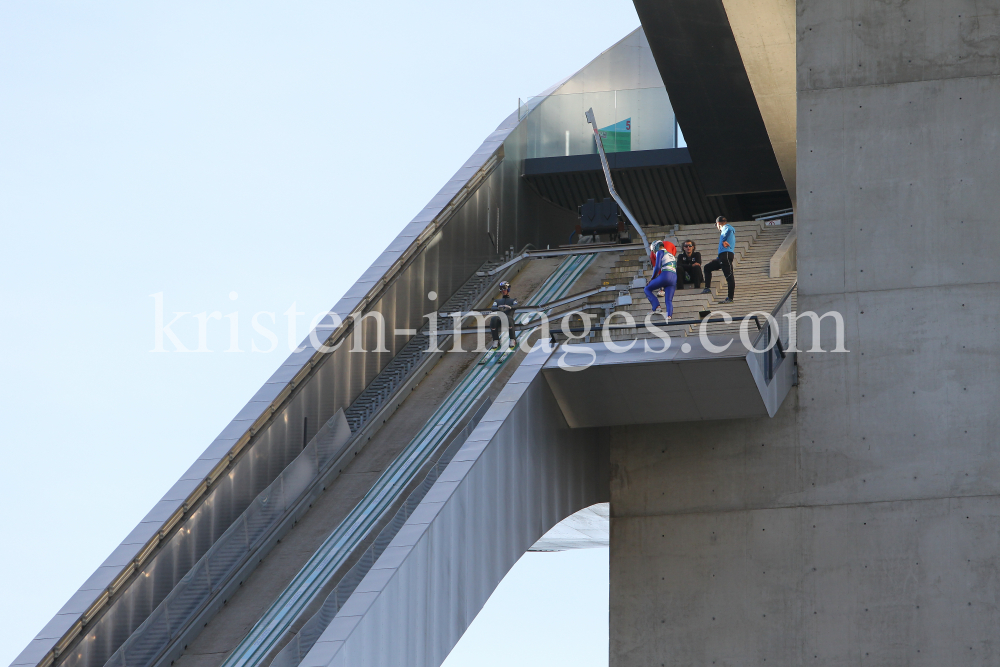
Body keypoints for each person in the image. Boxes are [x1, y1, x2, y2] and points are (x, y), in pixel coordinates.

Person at [703, 216, 736, 303]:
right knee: (707, 267)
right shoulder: (726, 230)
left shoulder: (726, 227)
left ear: (718, 224)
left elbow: (729, 230)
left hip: (726, 255)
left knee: (729, 276)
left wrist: (724, 240)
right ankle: (707, 288)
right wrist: (717, 258)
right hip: (722, 256)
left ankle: (730, 298)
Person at [643, 240, 677, 318]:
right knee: (668, 300)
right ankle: (669, 316)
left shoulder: (660, 252)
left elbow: (657, 267)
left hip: (665, 275)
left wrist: (652, 278)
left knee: (647, 289)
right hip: (674, 277)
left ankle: (656, 307)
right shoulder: (671, 255)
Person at [489, 281, 518, 349]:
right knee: (494, 318)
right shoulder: (497, 301)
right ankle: (496, 340)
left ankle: (512, 339)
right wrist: (498, 308)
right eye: (501, 289)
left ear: (508, 289)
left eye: (504, 288)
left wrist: (510, 307)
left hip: (508, 319)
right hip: (500, 319)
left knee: (508, 318)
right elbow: (493, 308)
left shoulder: (513, 300)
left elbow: (516, 305)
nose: (503, 291)